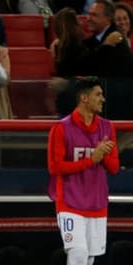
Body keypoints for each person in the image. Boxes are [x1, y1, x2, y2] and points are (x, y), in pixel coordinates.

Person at [47, 78, 120, 265]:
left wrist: (103, 156)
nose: (103, 99)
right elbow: (55, 167)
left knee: (89, 258)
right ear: (84, 98)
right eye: (98, 95)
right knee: (78, 252)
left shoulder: (107, 127)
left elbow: (114, 168)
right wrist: (91, 159)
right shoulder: (62, 128)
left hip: (97, 202)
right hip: (69, 202)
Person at [83, 0, 132, 77]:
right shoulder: (87, 42)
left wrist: (105, 46)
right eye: (89, 14)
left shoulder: (116, 39)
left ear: (108, 18)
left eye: (94, 15)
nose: (88, 19)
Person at [50, 7, 91, 77]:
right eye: (77, 21)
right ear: (72, 26)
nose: (81, 23)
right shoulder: (77, 47)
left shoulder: (57, 46)